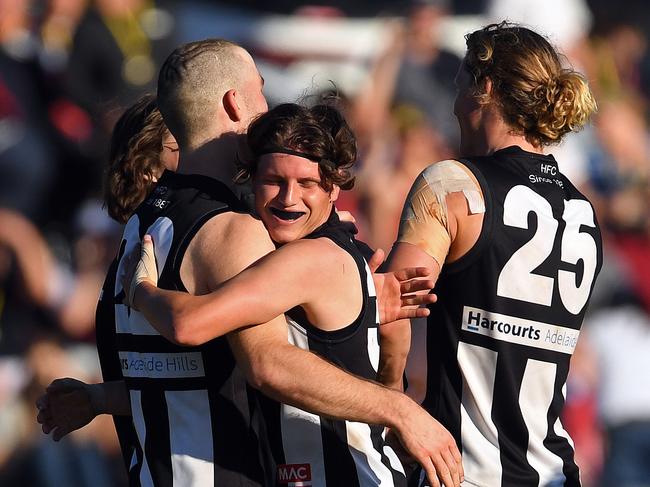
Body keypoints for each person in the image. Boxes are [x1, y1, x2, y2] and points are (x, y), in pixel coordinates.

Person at [38, 39, 462, 487]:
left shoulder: (141, 222)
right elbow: (264, 364)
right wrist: (399, 409)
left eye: (306, 184)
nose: (267, 105)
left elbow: (191, 376)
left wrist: (98, 398)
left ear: (334, 187)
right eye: (260, 90)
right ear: (235, 103)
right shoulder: (235, 230)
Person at [383, 22, 602, 486]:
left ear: (483, 87)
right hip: (555, 472)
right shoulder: (582, 210)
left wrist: (389, 408)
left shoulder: (452, 184)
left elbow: (393, 309)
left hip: (464, 472)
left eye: (460, 85)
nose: (455, 105)